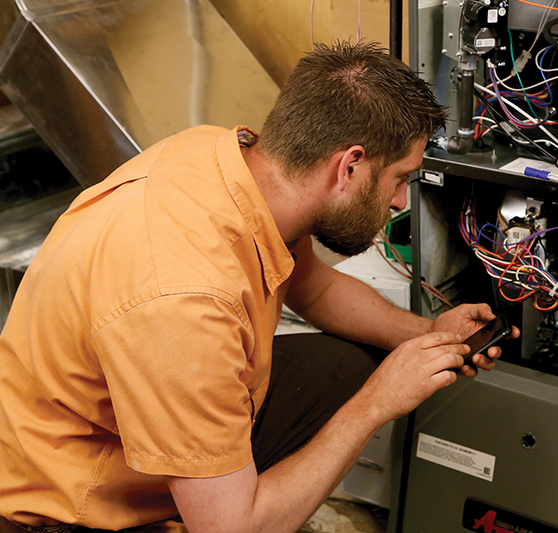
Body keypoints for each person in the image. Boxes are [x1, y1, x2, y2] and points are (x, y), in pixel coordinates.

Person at [0, 41, 518, 532]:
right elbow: (234, 528)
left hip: (139, 404)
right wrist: (377, 403)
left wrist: (425, 334)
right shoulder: (183, 303)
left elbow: (313, 289)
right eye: (400, 179)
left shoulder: (228, 161)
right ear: (350, 166)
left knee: (351, 363)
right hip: (66, 504)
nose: (400, 202)